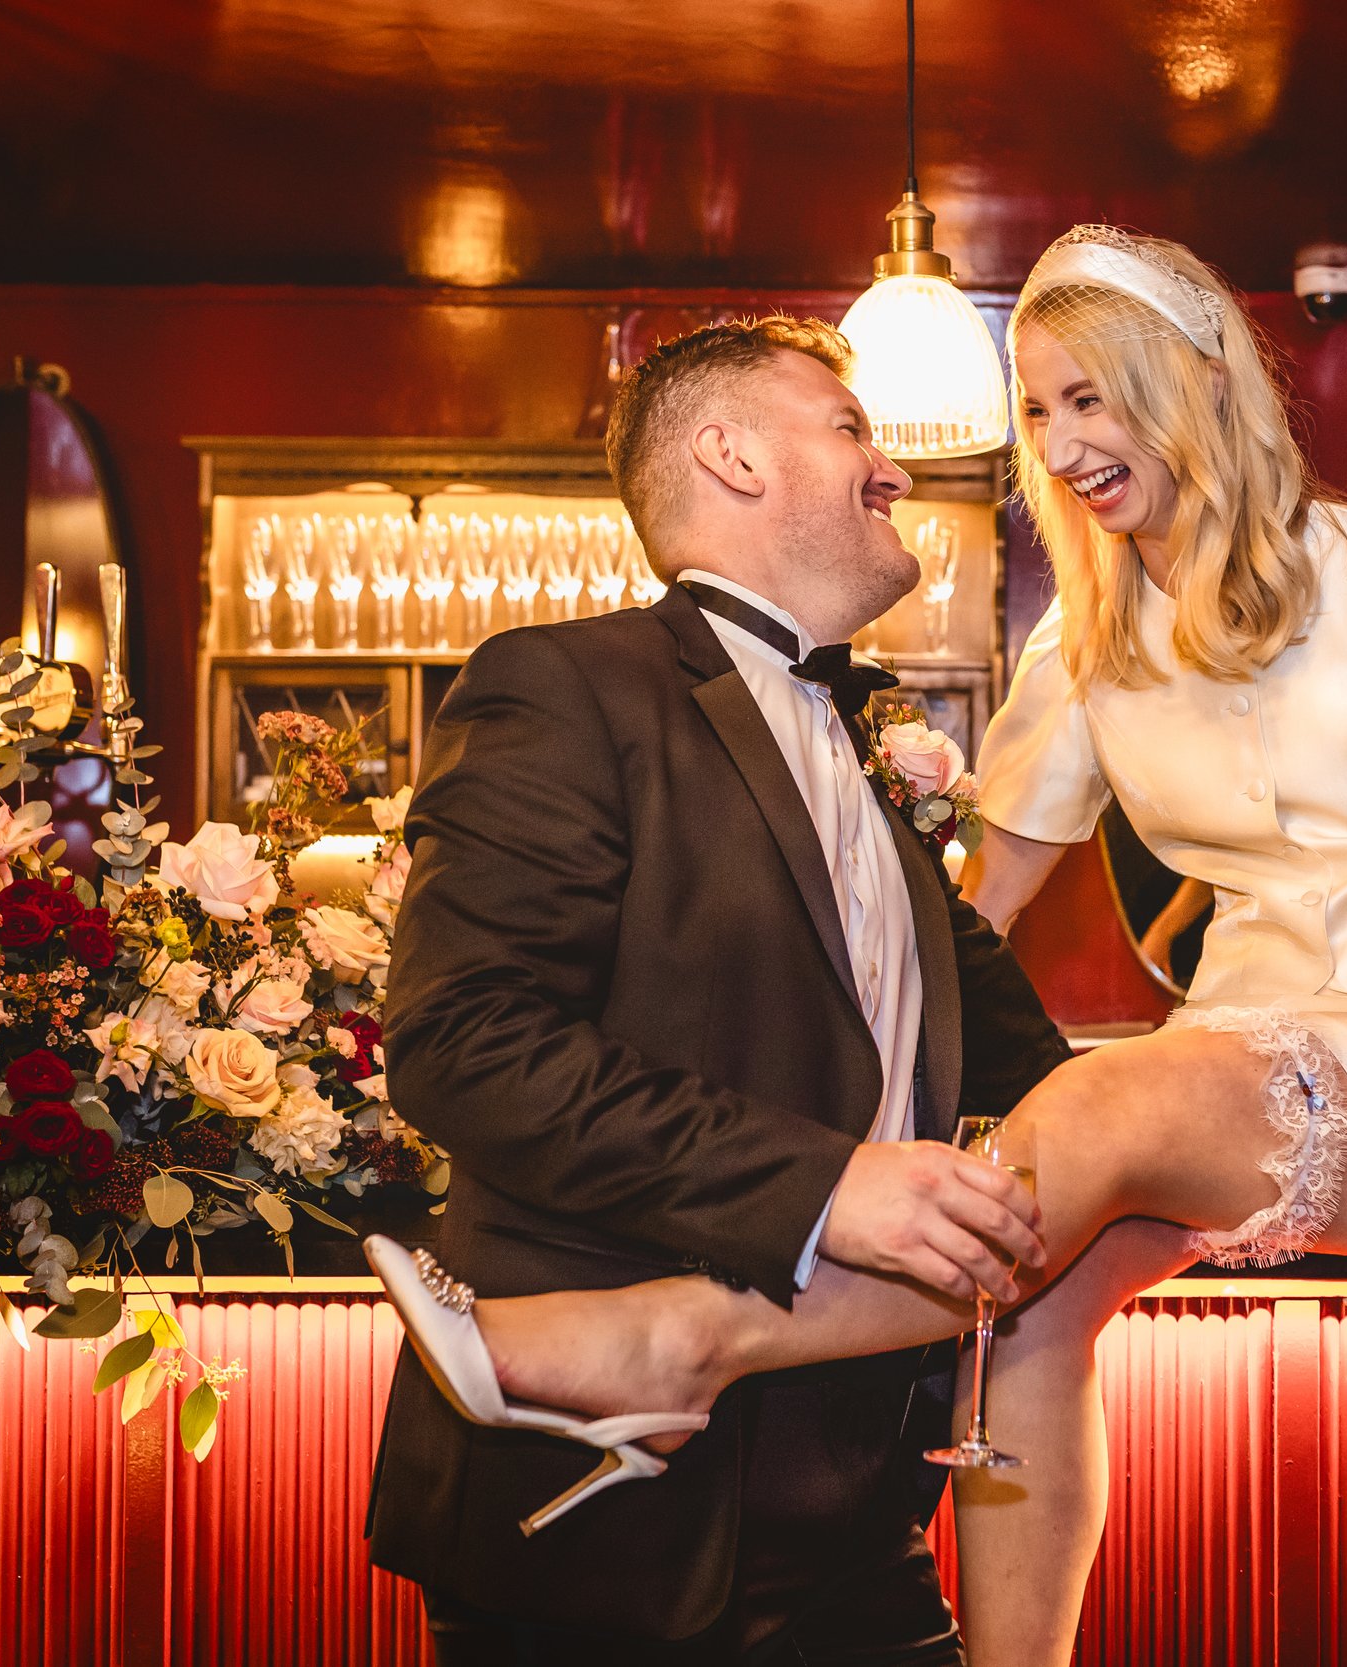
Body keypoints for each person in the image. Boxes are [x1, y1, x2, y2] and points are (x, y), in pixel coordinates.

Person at [369, 227, 1347, 1667]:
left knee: (1099, 1106)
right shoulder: (1022, 656)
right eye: (1033, 410)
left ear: (1189, 384)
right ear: (732, 460)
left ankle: (676, 1341)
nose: (924, 462)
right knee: (1024, 1305)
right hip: (685, 1545)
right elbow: (953, 943)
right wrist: (897, 1171)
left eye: (1088, 397)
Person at [365, 315, 1071, 1665]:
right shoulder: (564, 689)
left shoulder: (864, 756)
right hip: (614, 1534)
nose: (895, 472)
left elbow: (1042, 1083)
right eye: (852, 425)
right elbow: (465, 1046)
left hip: (871, 1531)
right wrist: (827, 1186)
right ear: (730, 454)